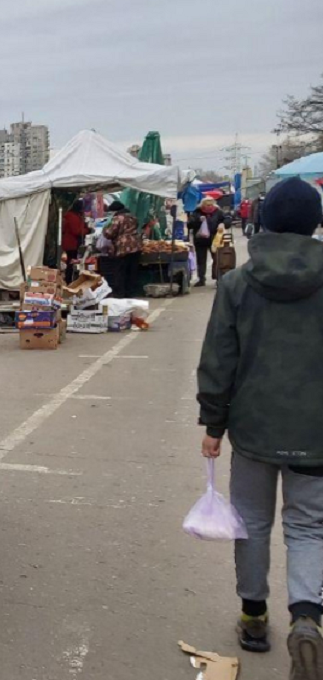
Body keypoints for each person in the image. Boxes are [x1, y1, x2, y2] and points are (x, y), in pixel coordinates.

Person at [197, 177, 323, 677]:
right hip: (317, 432)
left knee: (250, 520)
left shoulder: (238, 283)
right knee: (309, 526)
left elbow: (218, 359)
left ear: (264, 220)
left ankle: (253, 616)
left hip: (251, 428)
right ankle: (308, 618)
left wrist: (213, 421)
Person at [100, 201, 142, 298]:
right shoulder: (133, 217)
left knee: (120, 270)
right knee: (132, 270)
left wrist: (104, 229)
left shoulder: (118, 218)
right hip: (136, 245)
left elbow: (110, 233)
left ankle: (120, 293)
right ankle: (130, 292)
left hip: (123, 247)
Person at [188, 197, 229, 287]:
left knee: (217, 259)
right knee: (201, 260)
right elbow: (189, 224)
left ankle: (218, 278)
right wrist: (198, 220)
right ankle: (201, 279)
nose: (209, 207)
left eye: (211, 205)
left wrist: (223, 224)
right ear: (202, 205)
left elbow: (227, 220)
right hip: (200, 240)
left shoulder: (218, 211)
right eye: (207, 205)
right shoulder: (197, 212)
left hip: (215, 240)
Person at [62, 200, 91, 283]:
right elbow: (76, 230)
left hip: (73, 243)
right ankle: (69, 280)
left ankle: (71, 279)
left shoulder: (75, 215)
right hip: (71, 244)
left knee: (72, 262)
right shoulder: (72, 216)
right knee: (71, 263)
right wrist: (87, 230)